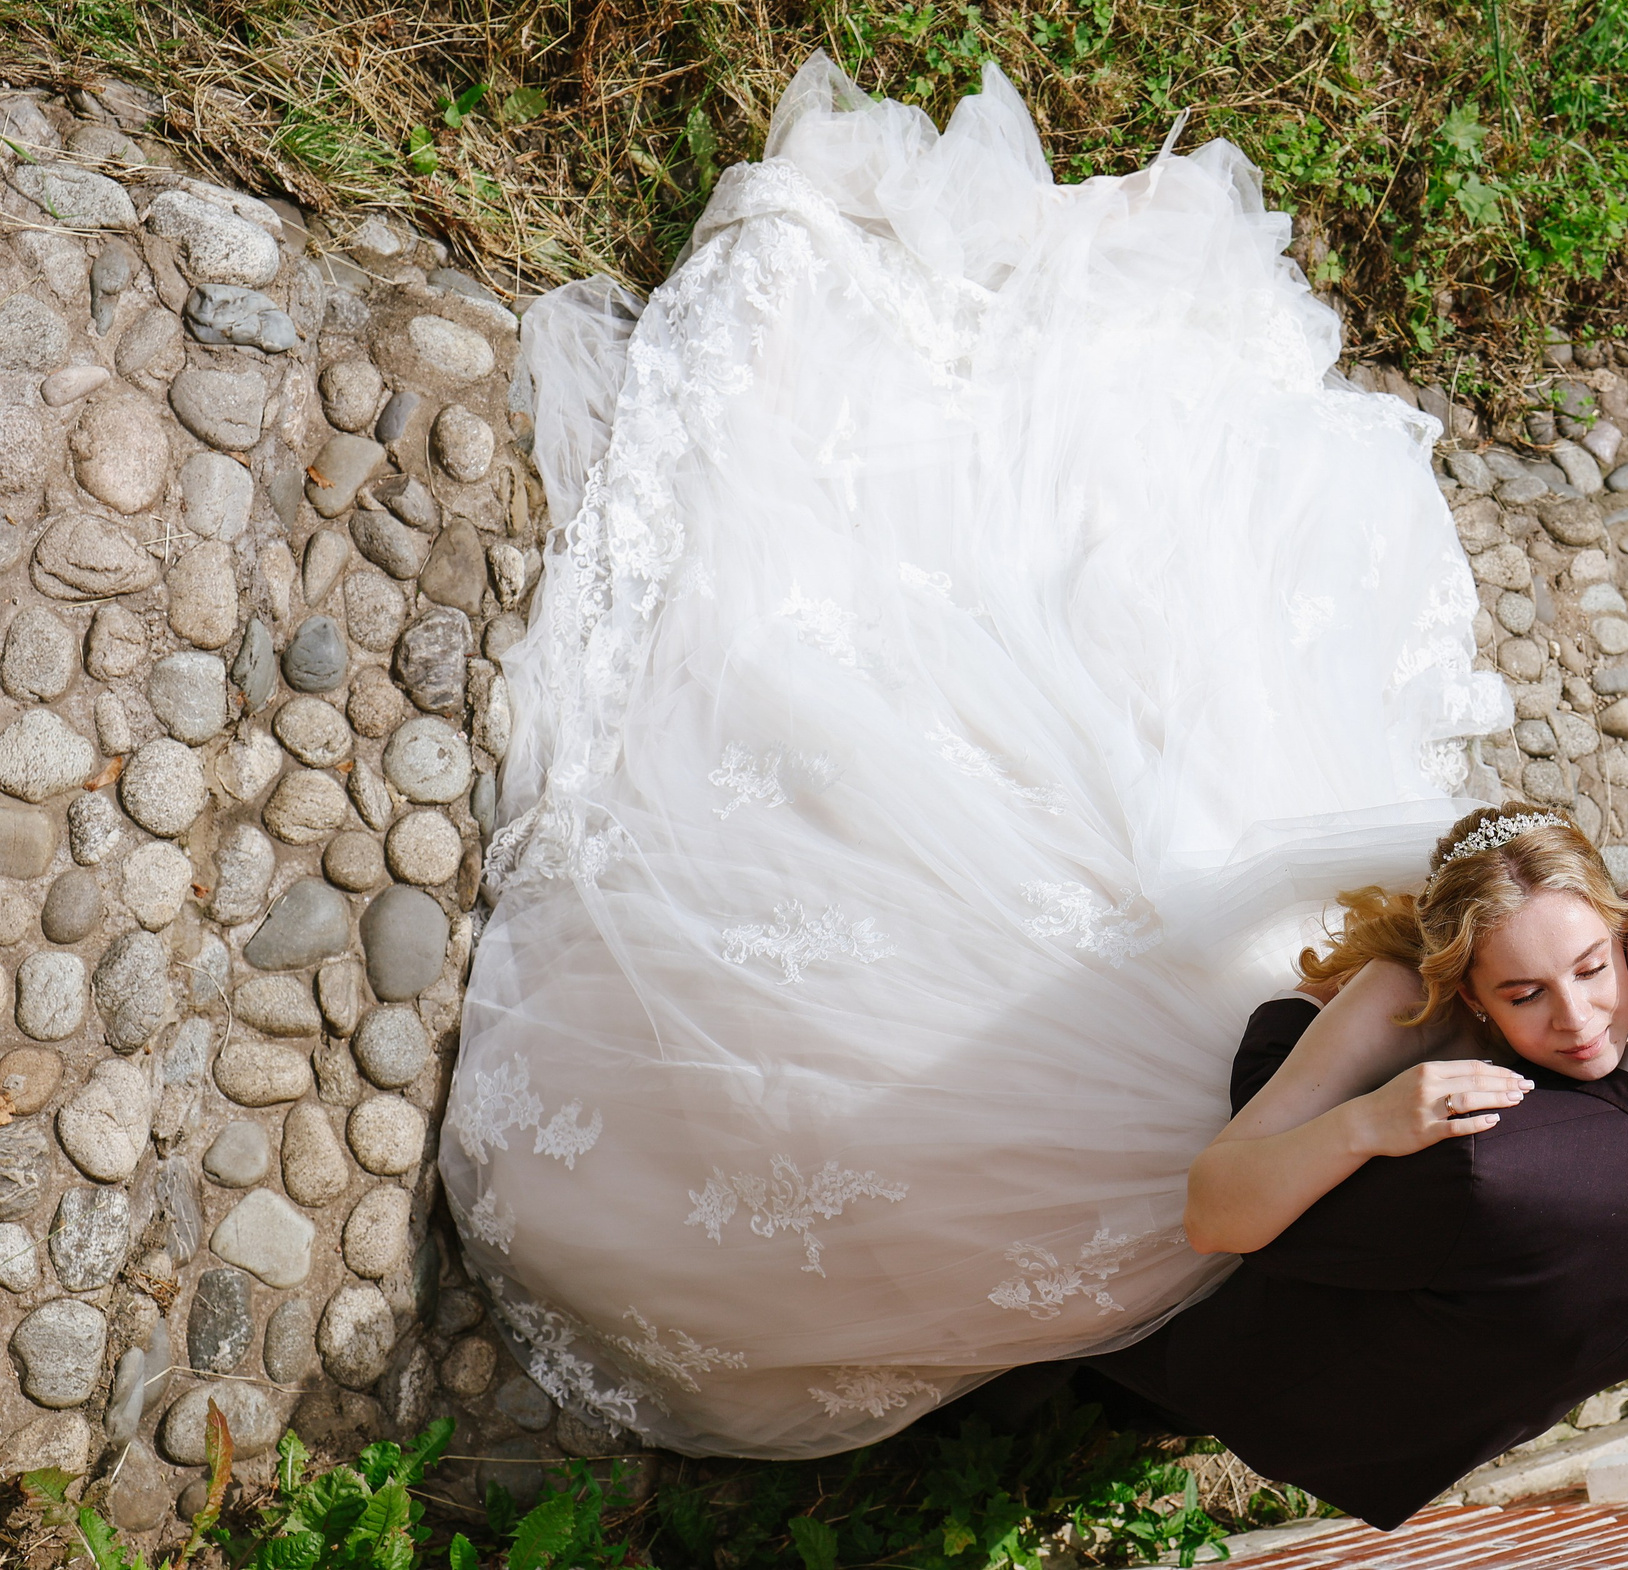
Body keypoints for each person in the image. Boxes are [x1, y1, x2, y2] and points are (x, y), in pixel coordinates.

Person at [447, 55, 1509, 1457]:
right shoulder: (1495, 986)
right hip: (1272, 1045)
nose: (1574, 1005)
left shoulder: (1539, 1071)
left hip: (1224, 1122)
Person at [1087, 796, 1628, 1528]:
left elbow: (1248, 1229)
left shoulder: (1491, 1158)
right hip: (1408, 1443)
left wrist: (1346, 1065)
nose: (1627, 905)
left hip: (1238, 1371)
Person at [1182, 804, 1628, 1260]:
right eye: (1526, 994)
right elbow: (1210, 1217)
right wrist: (1368, 1122)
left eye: (1593, 968)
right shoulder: (1405, 999)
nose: (1578, 1018)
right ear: (1474, 998)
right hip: (1286, 1091)